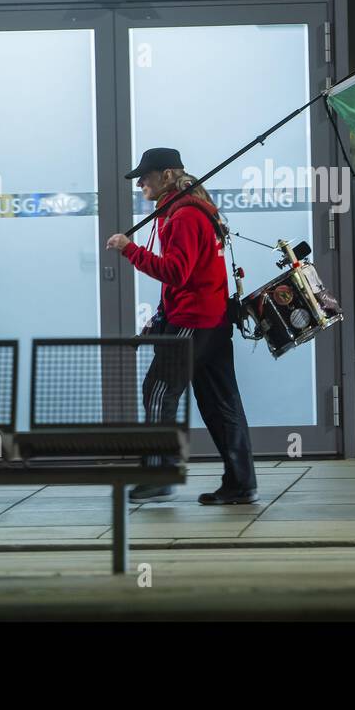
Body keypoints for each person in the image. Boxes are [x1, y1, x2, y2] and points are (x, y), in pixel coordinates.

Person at [106, 147, 258, 505]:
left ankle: (159, 475)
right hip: (213, 320)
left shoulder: (185, 215)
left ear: (169, 175)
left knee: (158, 390)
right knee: (221, 403)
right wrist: (161, 316)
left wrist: (130, 250)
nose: (140, 182)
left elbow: (177, 272)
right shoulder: (184, 210)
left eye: (146, 175)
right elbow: (185, 277)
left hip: (194, 322)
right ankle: (241, 482)